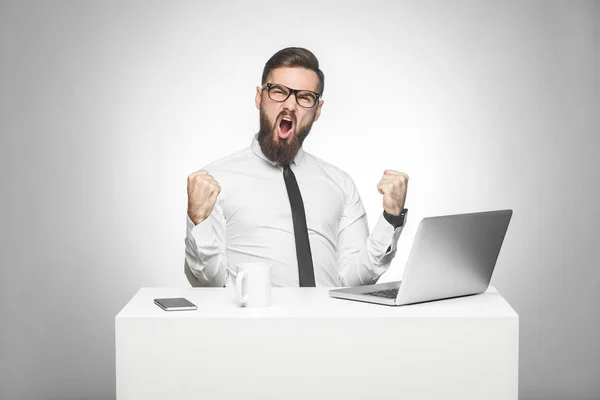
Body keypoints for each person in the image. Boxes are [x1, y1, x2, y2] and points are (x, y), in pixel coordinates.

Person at [185, 47, 409, 288]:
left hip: (329, 322)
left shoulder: (340, 184)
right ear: (259, 98)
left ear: (317, 110)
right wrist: (198, 222)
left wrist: (390, 218)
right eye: (279, 92)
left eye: (304, 97)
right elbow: (210, 283)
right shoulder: (215, 181)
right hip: (255, 322)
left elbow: (353, 280)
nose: (290, 106)